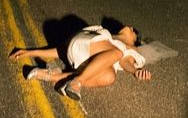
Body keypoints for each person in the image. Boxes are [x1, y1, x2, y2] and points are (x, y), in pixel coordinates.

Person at [9, 25, 151, 101]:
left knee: (109, 76)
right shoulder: (110, 42)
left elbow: (127, 61)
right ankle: (77, 81)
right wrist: (31, 52)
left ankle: (48, 75)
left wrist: (135, 71)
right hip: (80, 46)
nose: (132, 28)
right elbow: (65, 50)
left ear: (135, 40)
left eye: (134, 31)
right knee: (116, 56)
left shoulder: (131, 48)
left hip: (77, 54)